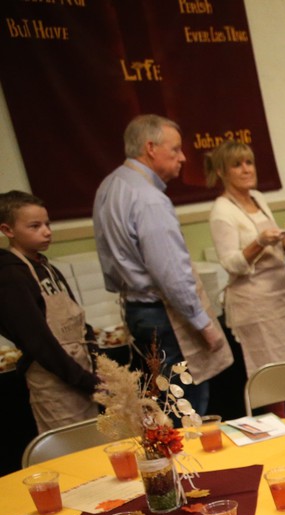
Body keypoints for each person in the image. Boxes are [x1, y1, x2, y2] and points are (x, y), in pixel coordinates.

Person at [93, 114, 230, 414]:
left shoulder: (109, 185)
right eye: (176, 149)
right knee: (186, 409)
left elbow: (108, 261)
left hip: (137, 310)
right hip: (165, 316)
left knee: (163, 407)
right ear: (151, 147)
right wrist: (204, 325)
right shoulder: (148, 198)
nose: (183, 158)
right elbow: (170, 273)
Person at [205, 139, 285, 418]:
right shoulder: (221, 211)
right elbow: (231, 263)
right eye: (237, 164)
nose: (245, 169)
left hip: (282, 299)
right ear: (222, 172)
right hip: (256, 306)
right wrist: (258, 243)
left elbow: (273, 243)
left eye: (249, 162)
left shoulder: (258, 198)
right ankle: (284, 441)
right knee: (274, 384)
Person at [0, 190, 99, 432]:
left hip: (82, 371)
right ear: (8, 230)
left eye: (47, 224)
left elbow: (77, 317)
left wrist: (96, 360)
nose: (46, 231)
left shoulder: (47, 267)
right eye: (35, 226)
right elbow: (38, 340)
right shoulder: (11, 276)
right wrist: (85, 380)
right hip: (54, 381)